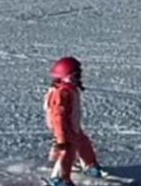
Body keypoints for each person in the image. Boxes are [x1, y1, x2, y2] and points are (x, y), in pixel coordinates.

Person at [44, 56, 105, 186]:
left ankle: (90, 165)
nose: (78, 78)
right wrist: (61, 137)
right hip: (64, 128)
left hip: (72, 125)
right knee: (67, 151)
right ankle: (60, 178)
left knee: (83, 143)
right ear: (64, 77)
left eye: (78, 75)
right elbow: (58, 116)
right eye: (74, 76)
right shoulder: (61, 93)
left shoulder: (70, 89)